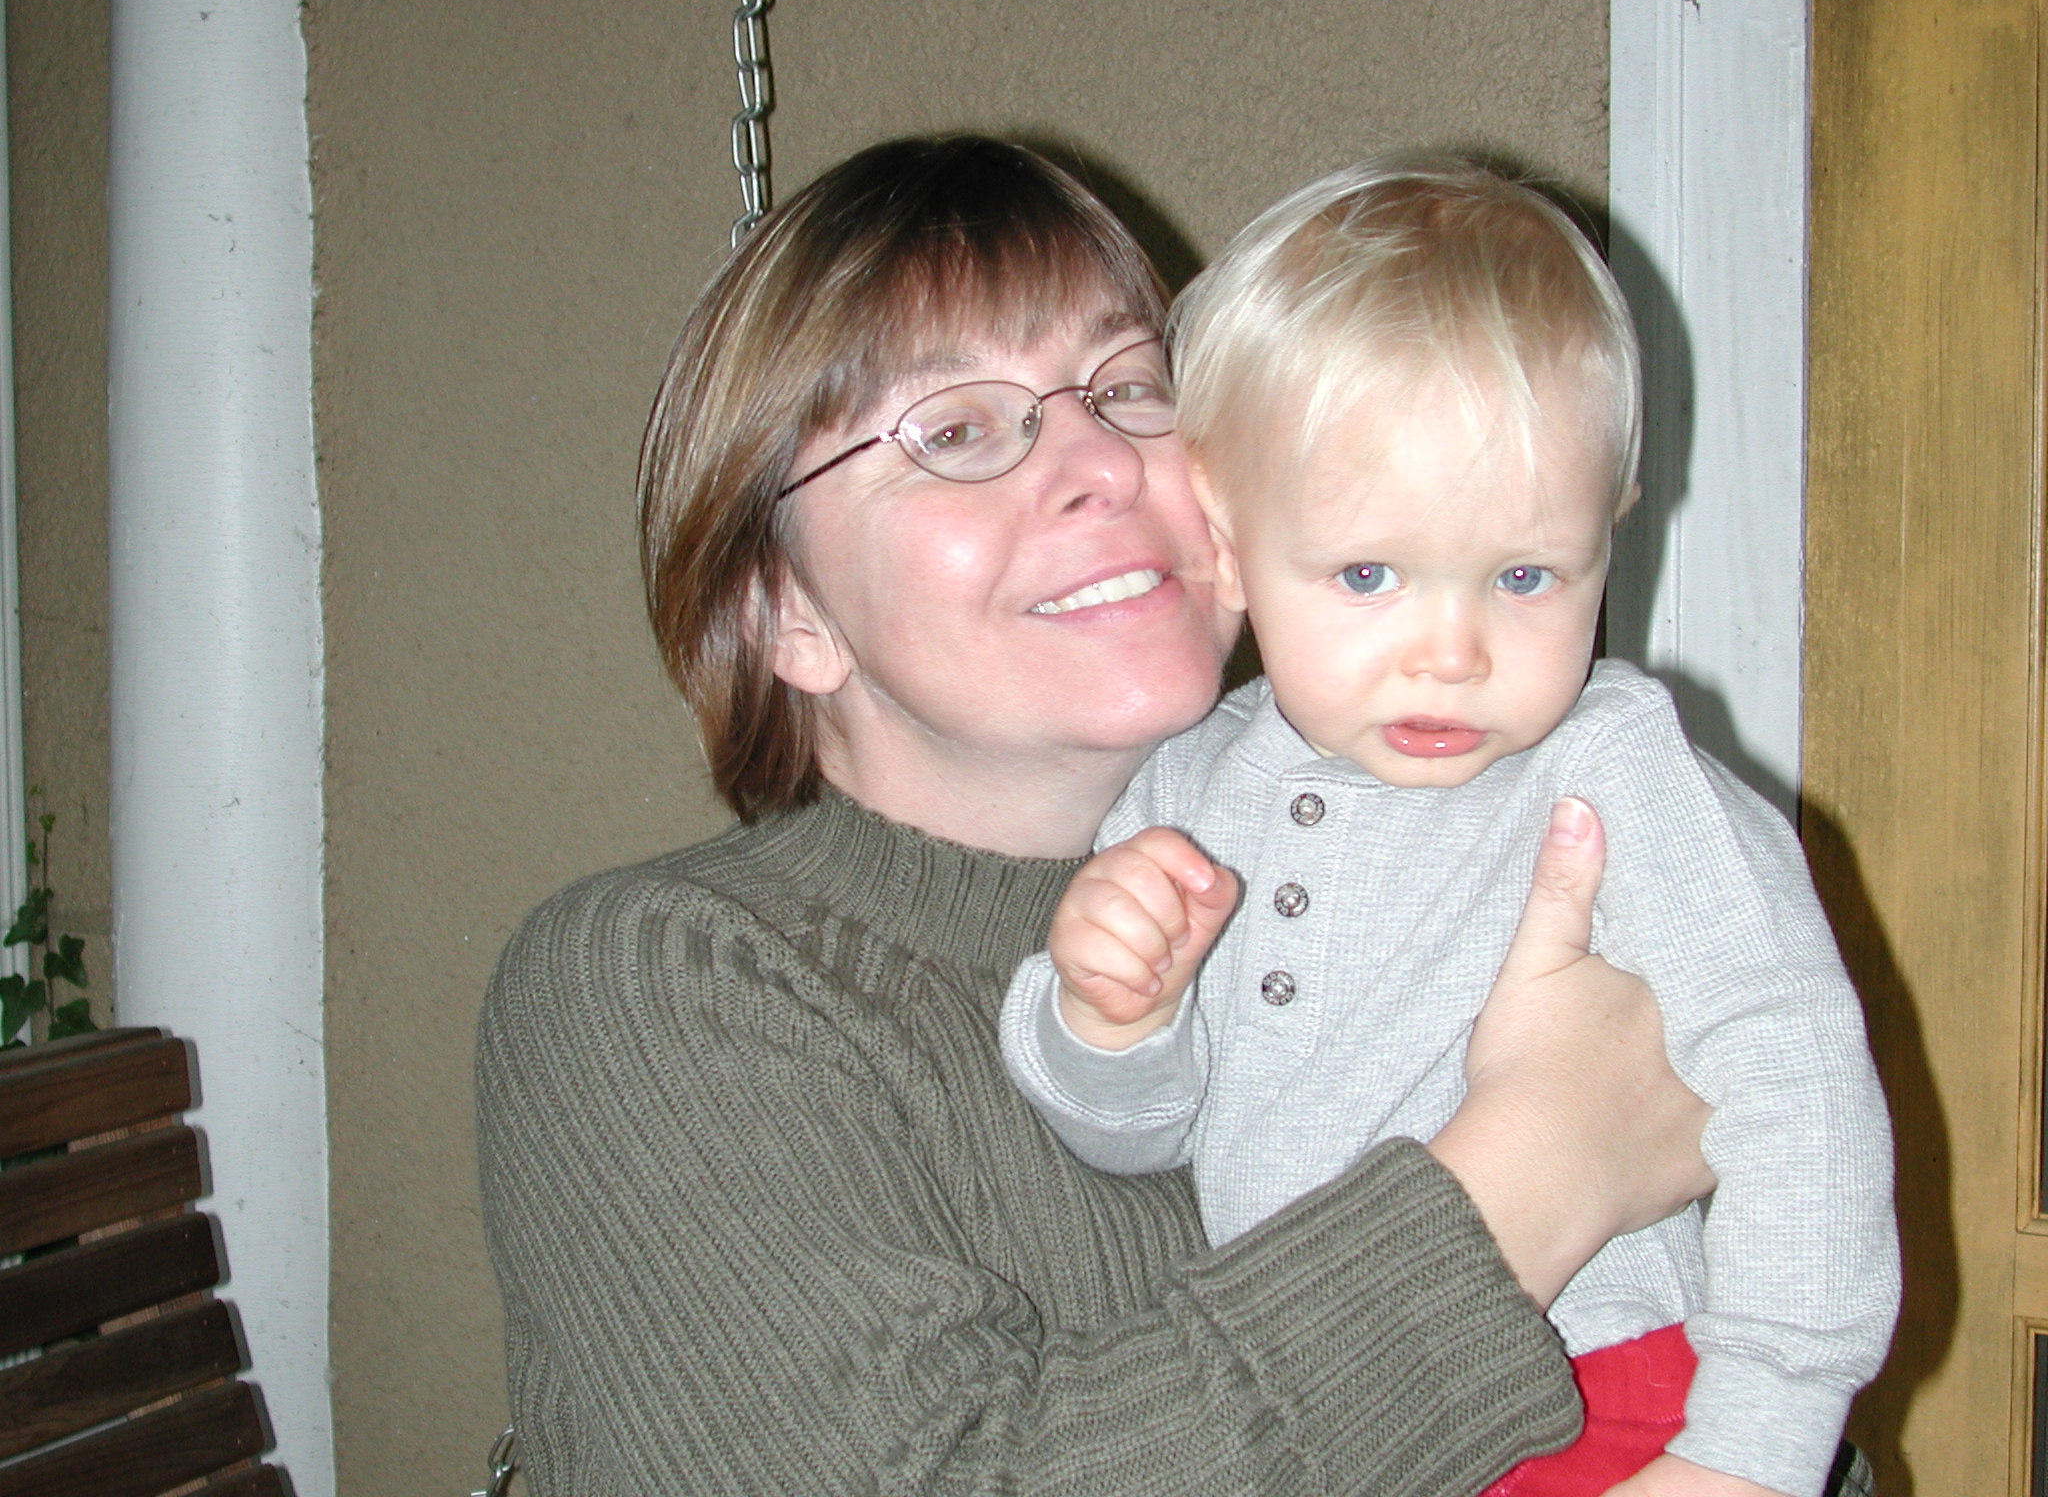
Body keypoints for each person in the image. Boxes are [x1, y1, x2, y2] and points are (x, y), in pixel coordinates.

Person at [474, 135, 1717, 1497]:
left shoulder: (1452, 864)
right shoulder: (660, 982)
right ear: (787, 613)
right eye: (954, 430)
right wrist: (1538, 1172)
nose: (1100, 461)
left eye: (1131, 387)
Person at [998, 158, 1897, 1497]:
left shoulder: (1621, 771)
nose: (1452, 652)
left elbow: (1799, 1078)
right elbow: (1139, 1139)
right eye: (1369, 574)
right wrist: (1108, 1022)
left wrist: (1761, 1441)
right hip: (1342, 1419)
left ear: (1609, 536)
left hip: (1607, 1398)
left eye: (1525, 576)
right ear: (1228, 549)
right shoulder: (1184, 792)